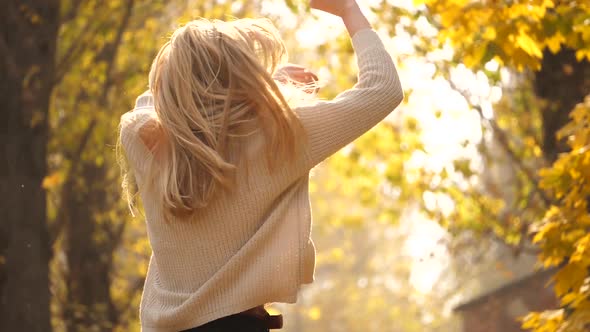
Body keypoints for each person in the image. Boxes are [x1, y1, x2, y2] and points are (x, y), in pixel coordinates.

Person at [118, 0, 403, 331]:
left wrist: (257, 85)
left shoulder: (143, 137)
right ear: (240, 74)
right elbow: (382, 89)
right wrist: (349, 11)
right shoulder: (278, 136)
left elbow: (154, 99)